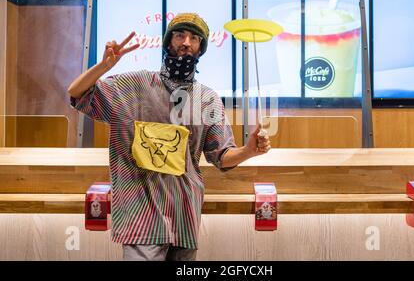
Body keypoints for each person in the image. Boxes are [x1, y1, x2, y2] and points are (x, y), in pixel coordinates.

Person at [67, 13, 271, 261]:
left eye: (194, 38)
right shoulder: (133, 85)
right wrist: (104, 67)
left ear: (201, 48)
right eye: (179, 35)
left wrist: (249, 150)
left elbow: (221, 157)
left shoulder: (207, 99)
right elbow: (77, 94)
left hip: (184, 215)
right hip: (140, 216)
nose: (186, 42)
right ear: (167, 42)